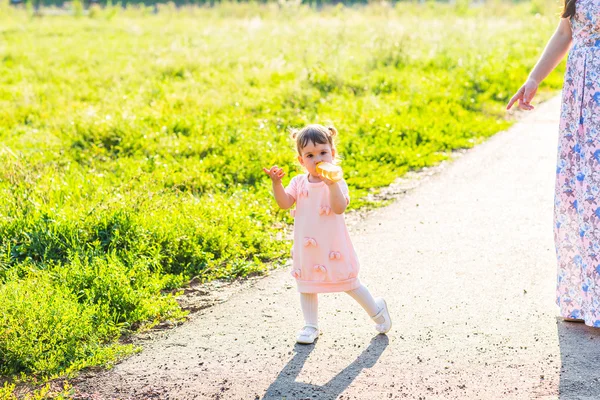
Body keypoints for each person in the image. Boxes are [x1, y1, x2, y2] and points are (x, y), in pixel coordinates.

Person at [507, 0, 600, 326]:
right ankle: (584, 299)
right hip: (581, 96)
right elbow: (565, 31)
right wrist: (533, 80)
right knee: (581, 192)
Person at [263, 124, 392, 344]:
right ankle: (310, 326)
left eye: (323, 152)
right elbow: (284, 203)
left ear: (332, 154)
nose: (317, 159)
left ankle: (377, 311)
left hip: (333, 246)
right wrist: (277, 183)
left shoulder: (337, 181)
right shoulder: (298, 182)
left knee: (348, 281)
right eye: (310, 155)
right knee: (307, 283)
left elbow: (339, 207)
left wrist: (331, 185)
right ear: (301, 161)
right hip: (308, 247)